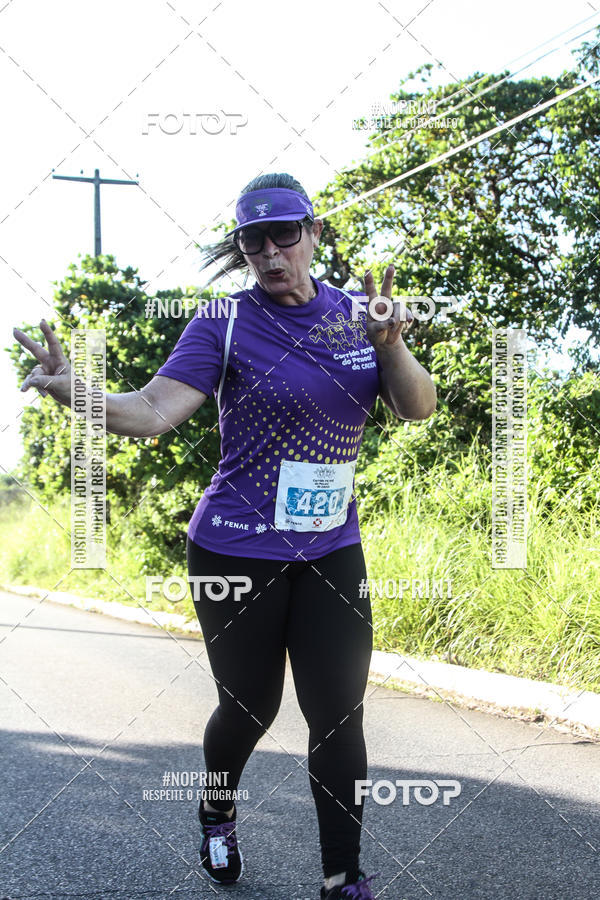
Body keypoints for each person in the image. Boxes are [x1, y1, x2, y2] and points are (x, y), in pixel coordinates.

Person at [14, 172, 436, 899]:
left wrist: (391, 344)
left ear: (313, 234)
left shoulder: (358, 316)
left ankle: (344, 878)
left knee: (337, 715)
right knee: (250, 707)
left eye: (285, 236)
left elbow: (417, 406)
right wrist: (72, 390)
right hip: (235, 547)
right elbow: (150, 411)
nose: (272, 254)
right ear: (241, 249)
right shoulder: (223, 322)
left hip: (330, 547)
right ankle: (216, 810)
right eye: (254, 241)